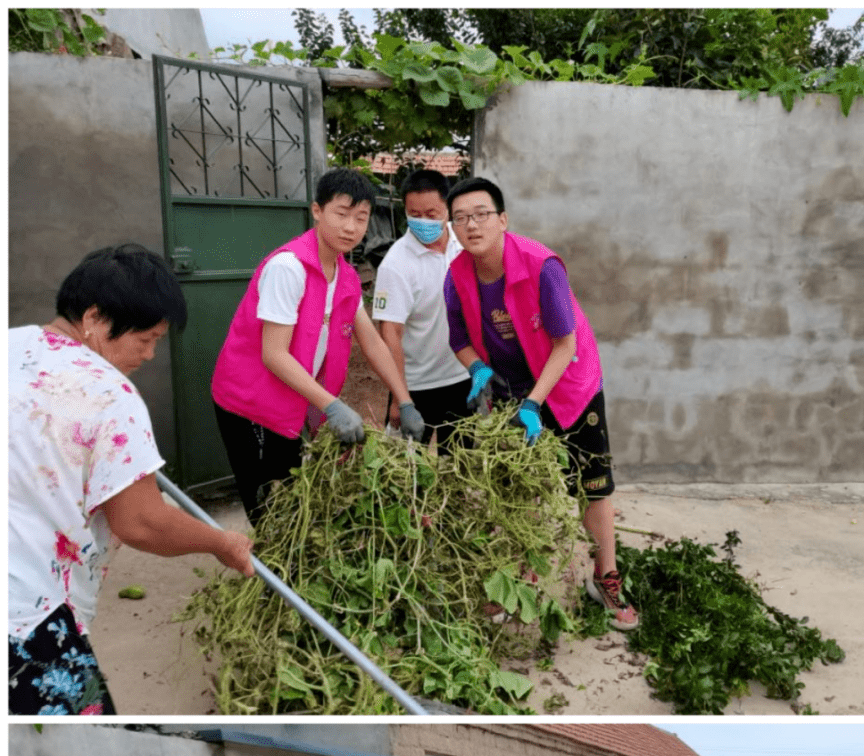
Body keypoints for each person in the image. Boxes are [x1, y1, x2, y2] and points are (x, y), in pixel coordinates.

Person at [8, 244, 255, 715]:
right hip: (29, 621)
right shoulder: (108, 392)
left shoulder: (11, 344)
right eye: (144, 339)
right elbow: (141, 522)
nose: (150, 354)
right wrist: (221, 542)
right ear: (95, 319)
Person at [442, 176, 639, 631]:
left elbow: (565, 344)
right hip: (513, 388)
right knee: (520, 488)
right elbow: (459, 340)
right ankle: (519, 581)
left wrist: (535, 403)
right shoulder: (455, 277)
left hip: (569, 385)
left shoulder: (540, 264)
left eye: (481, 214)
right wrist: (478, 369)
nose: (471, 225)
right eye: (461, 219)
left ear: (502, 219)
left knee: (593, 485)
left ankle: (605, 577)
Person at [212, 167, 427, 523]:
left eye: (361, 218)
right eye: (341, 214)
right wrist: (333, 406)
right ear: (317, 211)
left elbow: (371, 340)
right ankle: (274, 574)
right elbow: (274, 353)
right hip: (252, 404)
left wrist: (404, 400)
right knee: (271, 511)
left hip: (295, 401)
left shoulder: (345, 276)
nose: (351, 228)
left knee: (294, 498)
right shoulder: (289, 268)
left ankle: (285, 573)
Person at [373, 169, 471, 446]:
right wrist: (399, 399)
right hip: (417, 387)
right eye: (414, 214)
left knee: (461, 470)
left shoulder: (465, 243)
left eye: (431, 214)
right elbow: (390, 333)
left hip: (462, 378)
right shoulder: (396, 264)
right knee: (407, 477)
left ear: (448, 209)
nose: (422, 221)